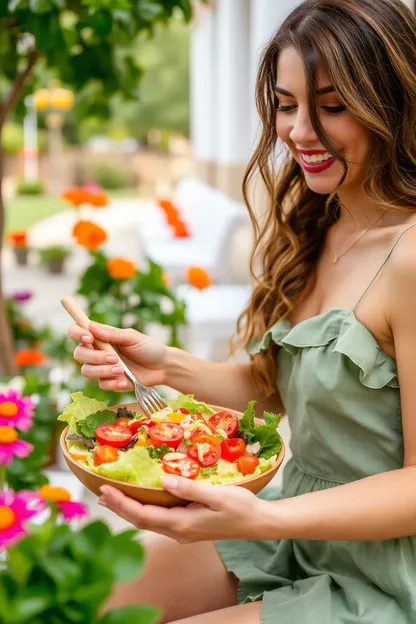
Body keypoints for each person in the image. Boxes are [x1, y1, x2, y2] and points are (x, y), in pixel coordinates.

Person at [68, 0, 416, 622]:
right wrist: (163, 365)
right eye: (286, 106)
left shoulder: (410, 258)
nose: (299, 132)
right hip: (296, 534)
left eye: (332, 107)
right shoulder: (319, 226)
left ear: (393, 103)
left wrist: (264, 514)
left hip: (388, 572)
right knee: (100, 600)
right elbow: (276, 389)